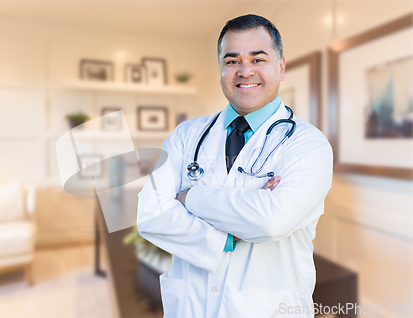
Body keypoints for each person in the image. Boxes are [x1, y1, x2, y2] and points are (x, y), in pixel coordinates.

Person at [137, 14, 333, 318]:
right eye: (232, 61)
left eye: (258, 59)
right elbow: (150, 214)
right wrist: (226, 237)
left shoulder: (308, 144)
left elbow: (271, 221)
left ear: (281, 67)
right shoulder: (186, 135)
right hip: (191, 307)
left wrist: (190, 198)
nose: (245, 71)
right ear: (221, 70)